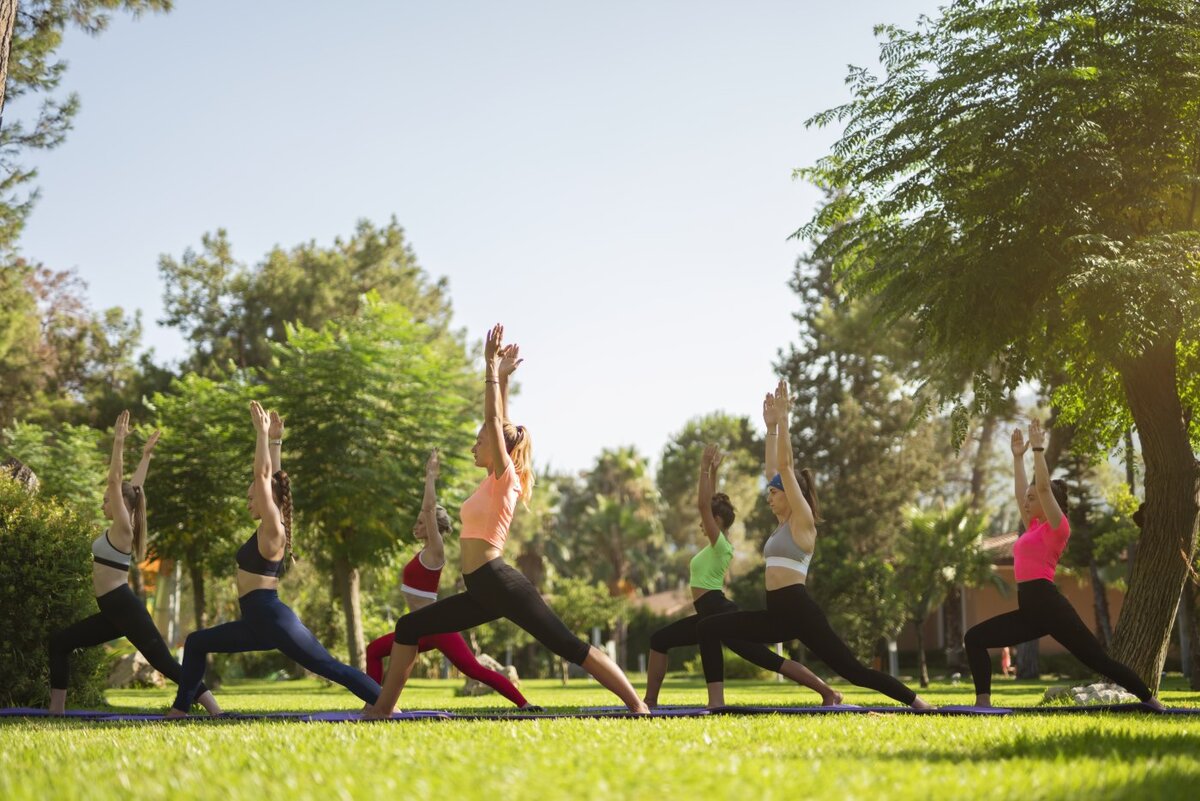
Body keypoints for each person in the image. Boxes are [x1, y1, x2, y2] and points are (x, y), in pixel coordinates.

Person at [366, 325, 648, 717]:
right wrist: (502, 379)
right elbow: (502, 424)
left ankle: (637, 705)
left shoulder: (505, 478)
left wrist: (488, 367)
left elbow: (496, 422)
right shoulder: (492, 481)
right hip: (480, 587)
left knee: (568, 645)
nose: (474, 445)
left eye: (480, 441)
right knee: (408, 628)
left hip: (500, 582)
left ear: (499, 447)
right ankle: (381, 709)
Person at [695, 381, 931, 710]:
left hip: (800, 611)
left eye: (773, 493)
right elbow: (773, 470)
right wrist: (771, 429)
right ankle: (716, 704)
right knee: (709, 627)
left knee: (854, 672)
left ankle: (918, 702)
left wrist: (785, 420)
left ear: (792, 495)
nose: (768, 496)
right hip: (776, 613)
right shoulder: (781, 526)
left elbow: (784, 468)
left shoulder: (802, 522)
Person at [168, 404, 380, 716]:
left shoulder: (273, 528)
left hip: (271, 617)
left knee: (327, 666)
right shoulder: (272, 521)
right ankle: (181, 709)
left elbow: (264, 475)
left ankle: (386, 703)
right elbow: (275, 482)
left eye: (251, 497)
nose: (248, 502)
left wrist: (262, 434)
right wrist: (276, 443)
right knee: (197, 642)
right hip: (256, 620)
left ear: (267, 498)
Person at [963, 420, 1164, 709]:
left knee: (1100, 662)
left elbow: (1043, 488)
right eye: (1028, 500)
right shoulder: (1032, 526)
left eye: (1034, 499)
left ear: (1050, 503)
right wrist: (1017, 458)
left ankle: (1150, 701)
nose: (1027, 502)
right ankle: (983, 702)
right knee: (975, 638)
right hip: (1030, 610)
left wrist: (1037, 449)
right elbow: (1024, 493)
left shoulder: (1058, 528)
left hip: (1050, 607)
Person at [643, 443, 842, 707]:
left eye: (709, 519)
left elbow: (704, 505)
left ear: (718, 521)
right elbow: (709, 503)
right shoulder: (712, 546)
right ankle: (649, 702)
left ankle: (828, 692)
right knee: (660, 640)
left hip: (718, 611)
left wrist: (703, 469)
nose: (702, 522)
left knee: (768, 660)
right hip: (706, 611)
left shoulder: (721, 545)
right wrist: (713, 473)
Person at [49, 411, 220, 715]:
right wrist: (145, 456)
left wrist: (118, 442)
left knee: (164, 662)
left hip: (122, 606)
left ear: (119, 504)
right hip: (111, 610)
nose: (104, 503)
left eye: (107, 499)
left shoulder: (123, 529)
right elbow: (134, 490)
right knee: (60, 643)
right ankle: (56, 711)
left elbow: (117, 481)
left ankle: (214, 708)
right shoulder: (126, 520)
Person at [364, 448, 534, 709]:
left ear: (434, 528)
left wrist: (430, 477)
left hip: (437, 627)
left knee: (475, 670)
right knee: (374, 651)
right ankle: (373, 704)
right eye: (418, 522)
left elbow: (429, 509)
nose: (417, 525)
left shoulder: (435, 549)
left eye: (422, 523)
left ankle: (523, 704)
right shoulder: (423, 552)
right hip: (416, 629)